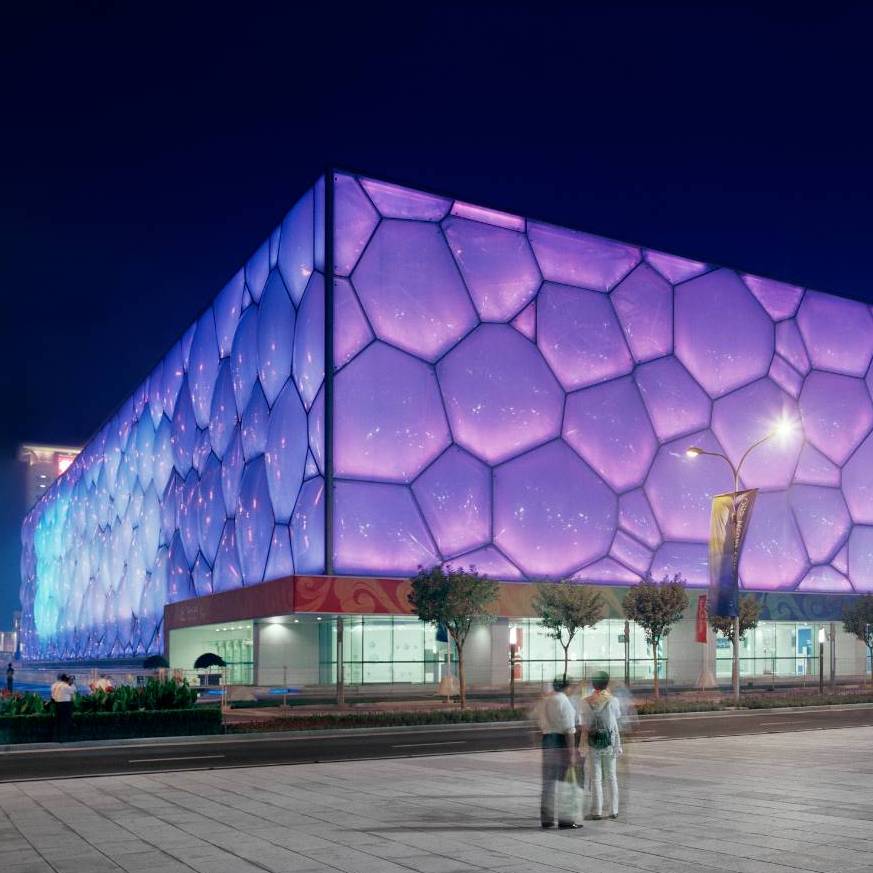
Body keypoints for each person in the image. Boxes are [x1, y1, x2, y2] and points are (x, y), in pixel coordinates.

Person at [535, 678, 582, 829]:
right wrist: (572, 752)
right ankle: (565, 820)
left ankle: (546, 819)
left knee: (548, 782)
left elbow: (540, 723)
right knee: (565, 781)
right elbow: (569, 730)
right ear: (566, 687)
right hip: (561, 741)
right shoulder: (564, 702)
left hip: (547, 740)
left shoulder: (545, 701)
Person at [580, 671, 622, 821]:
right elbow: (617, 716)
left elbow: (584, 721)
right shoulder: (613, 700)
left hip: (592, 741)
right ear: (607, 683)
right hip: (609, 741)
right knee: (611, 776)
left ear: (593, 684)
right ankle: (614, 810)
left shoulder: (585, 701)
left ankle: (596, 811)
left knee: (595, 777)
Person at [50, 673, 76, 742]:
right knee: (65, 722)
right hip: (66, 705)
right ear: (66, 679)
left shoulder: (56, 686)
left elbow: (53, 696)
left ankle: (56, 738)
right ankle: (63, 738)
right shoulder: (67, 687)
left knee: (57, 721)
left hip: (57, 704)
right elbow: (73, 697)